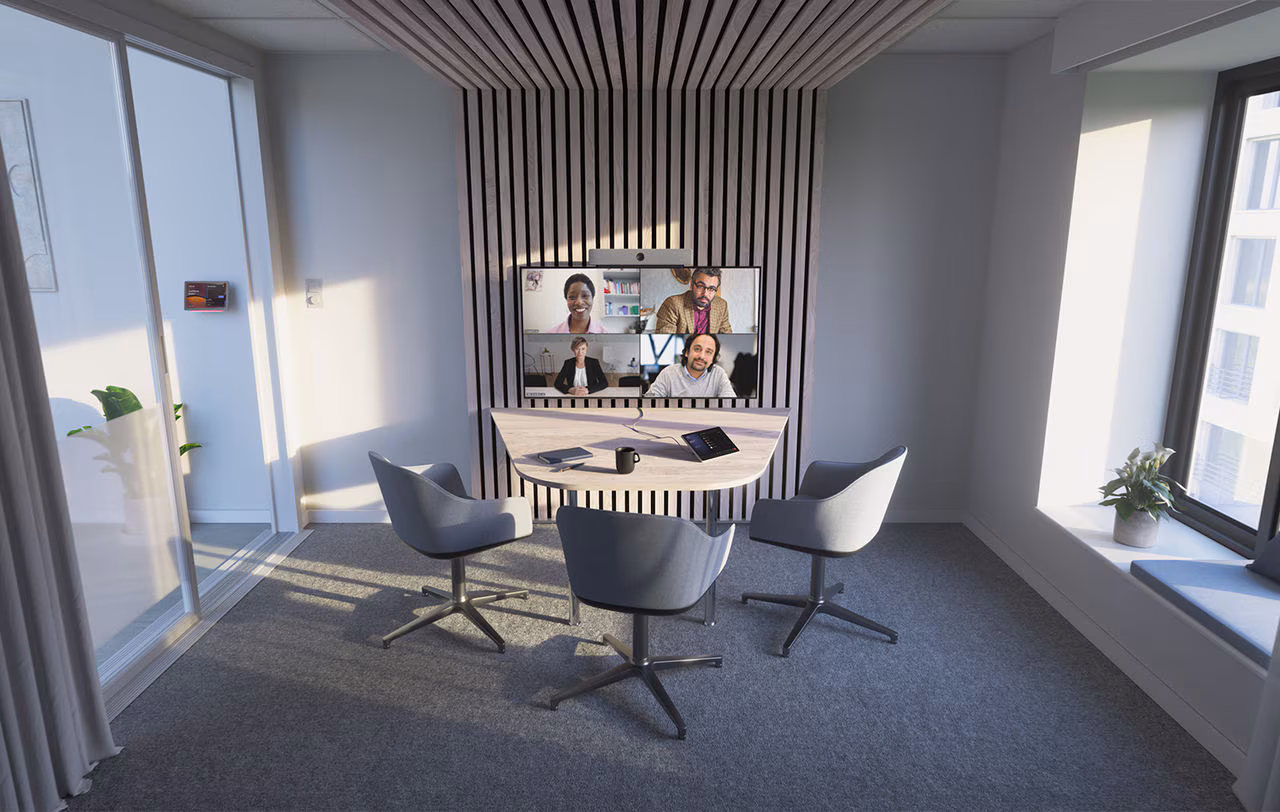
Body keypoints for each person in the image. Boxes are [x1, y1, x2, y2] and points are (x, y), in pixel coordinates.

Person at [644, 333, 736, 398]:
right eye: (697, 349)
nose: (701, 356)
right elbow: (649, 402)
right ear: (687, 352)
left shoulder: (718, 374)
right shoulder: (668, 373)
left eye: (708, 352)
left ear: (712, 359)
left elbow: (731, 404)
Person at [654, 268, 732, 334]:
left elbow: (727, 336)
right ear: (691, 285)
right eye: (700, 286)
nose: (705, 293)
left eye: (711, 289)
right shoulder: (672, 304)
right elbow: (666, 340)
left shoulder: (722, 305)